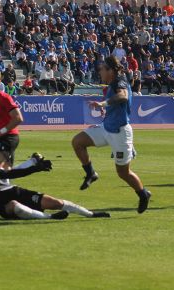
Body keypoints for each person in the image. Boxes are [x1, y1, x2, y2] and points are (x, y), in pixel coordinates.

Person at [71, 56, 152, 214]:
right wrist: (105, 110)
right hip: (107, 128)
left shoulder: (119, 81)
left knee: (123, 173)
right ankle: (91, 173)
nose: (100, 72)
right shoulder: (113, 83)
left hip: (120, 133)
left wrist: (103, 104)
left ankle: (143, 194)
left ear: (110, 71)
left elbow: (123, 96)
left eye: (102, 69)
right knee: (78, 142)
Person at [0, 154, 110, 220]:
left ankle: (91, 214)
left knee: (56, 203)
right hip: (5, 208)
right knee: (14, 206)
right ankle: (49, 218)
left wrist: (36, 168)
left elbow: (11, 175)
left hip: (18, 193)